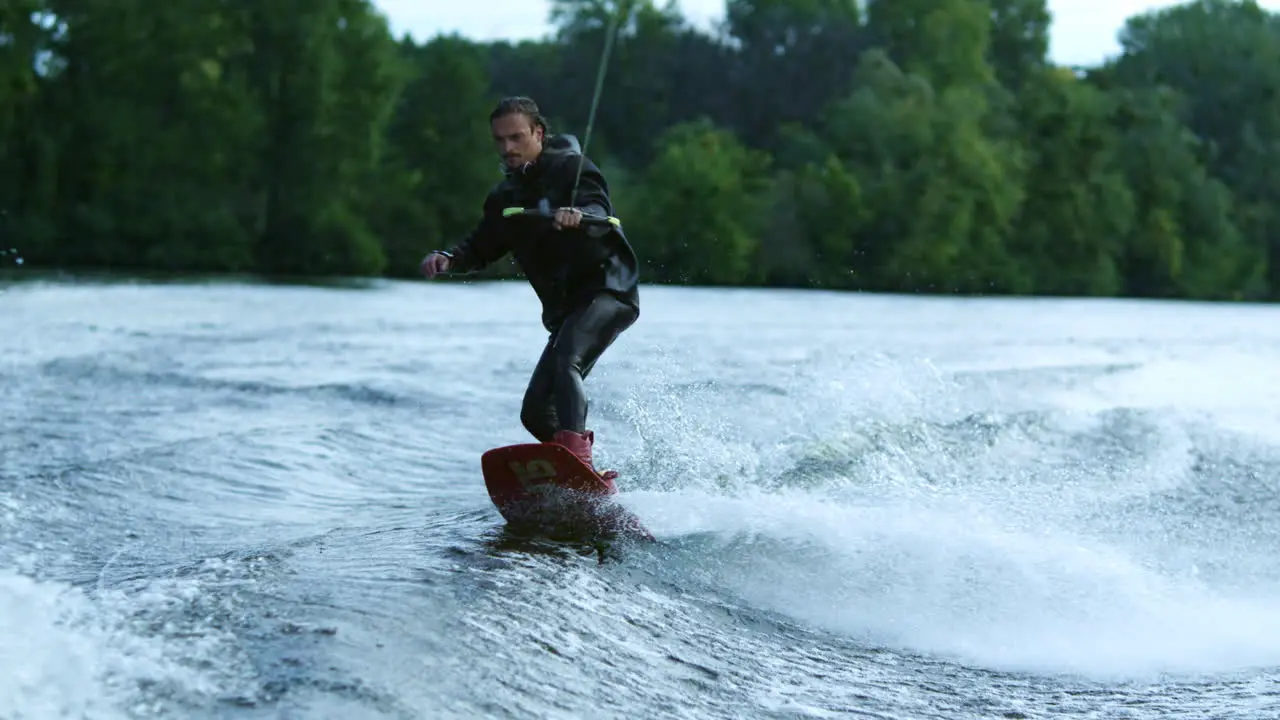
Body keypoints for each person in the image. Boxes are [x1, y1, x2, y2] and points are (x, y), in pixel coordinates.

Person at [419, 96, 640, 489]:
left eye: (517, 137)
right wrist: (449, 257)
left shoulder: (573, 169)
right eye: (499, 141)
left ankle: (577, 458)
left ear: (538, 133)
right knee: (536, 413)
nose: (508, 148)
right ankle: (585, 476)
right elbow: (481, 246)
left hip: (610, 292)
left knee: (565, 362)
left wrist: (579, 217)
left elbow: (599, 210)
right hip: (568, 308)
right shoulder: (505, 198)